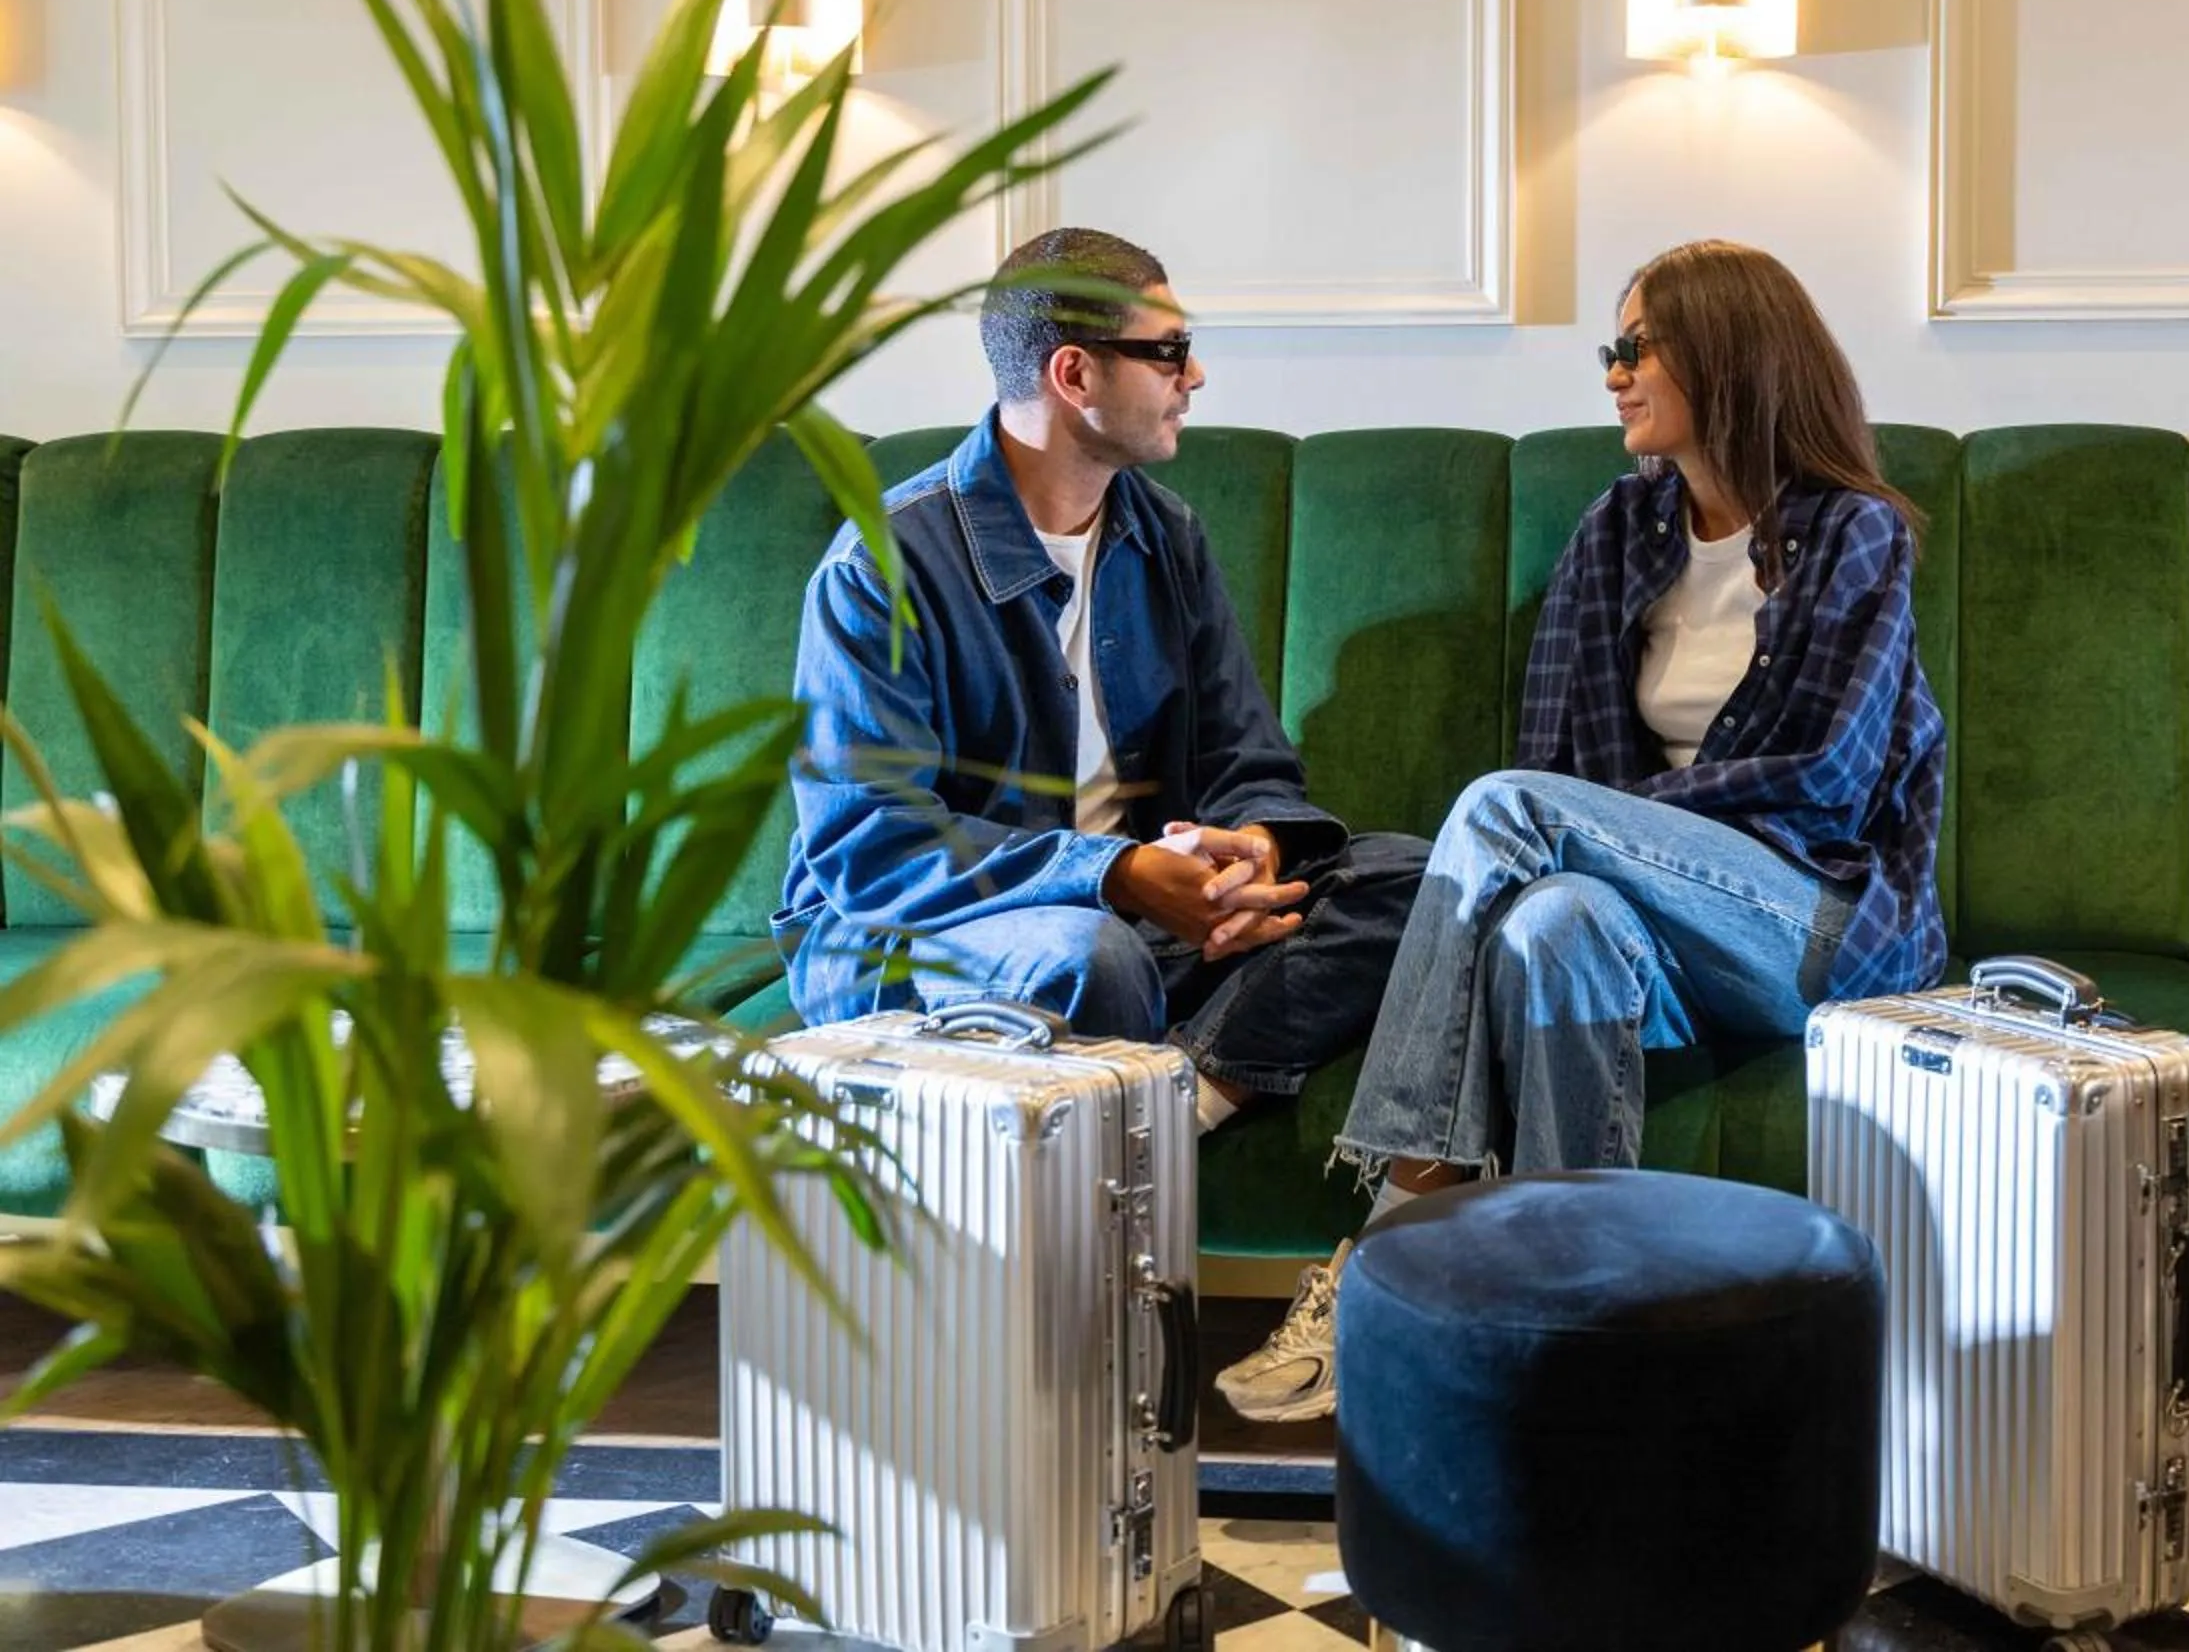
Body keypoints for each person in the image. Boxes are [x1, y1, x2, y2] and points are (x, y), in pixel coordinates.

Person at [1214, 237, 1949, 1423]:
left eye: (1635, 344)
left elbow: (1828, 783)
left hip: (1814, 917)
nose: (1611, 371)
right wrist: (1592, 837)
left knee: (1510, 812)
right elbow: (1561, 764)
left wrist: (1611, 826)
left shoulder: (1852, 533)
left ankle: (1399, 1225)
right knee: (1552, 922)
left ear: (1725, 352)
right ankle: (1574, 1353)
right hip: (1652, 927)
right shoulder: (1619, 529)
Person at [775, 227, 1427, 1128]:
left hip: (1133, 916)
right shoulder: (882, 566)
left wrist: (1254, 853)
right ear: (1075, 375)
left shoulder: (1165, 534)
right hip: (912, 935)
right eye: (1170, 352)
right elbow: (871, 845)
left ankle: (1174, 1108)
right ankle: (1121, 1151)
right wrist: (1113, 872)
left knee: (1417, 877)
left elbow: (1247, 754)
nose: (1192, 378)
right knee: (1092, 956)